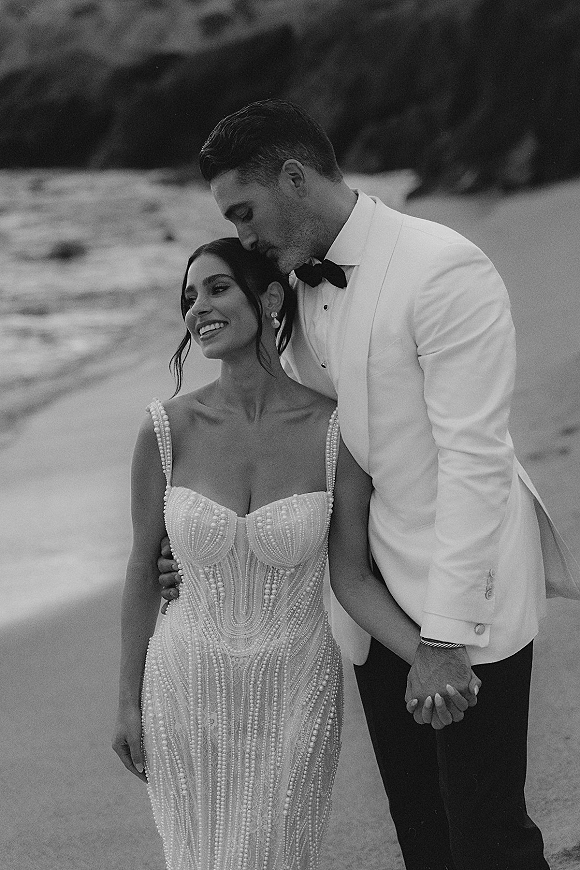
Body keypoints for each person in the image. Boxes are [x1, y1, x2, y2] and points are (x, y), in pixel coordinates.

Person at [156, 101, 580, 870]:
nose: (243, 237)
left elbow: (475, 461)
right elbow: (299, 443)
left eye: (245, 213)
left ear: (295, 176)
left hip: (467, 591)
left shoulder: (441, 267)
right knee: (424, 834)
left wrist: (445, 639)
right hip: (368, 600)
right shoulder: (295, 287)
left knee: (487, 837)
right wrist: (201, 554)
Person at [112, 237, 477, 870]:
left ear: (272, 297)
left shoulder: (335, 429)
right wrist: (126, 702)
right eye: (188, 296)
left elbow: (352, 577)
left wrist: (433, 654)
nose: (197, 307)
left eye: (217, 288)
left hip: (296, 683)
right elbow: (144, 568)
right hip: (186, 683)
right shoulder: (167, 429)